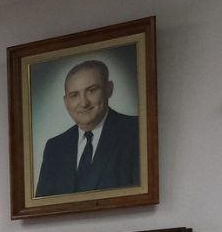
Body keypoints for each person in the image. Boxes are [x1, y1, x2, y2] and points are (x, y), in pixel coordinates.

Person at [34, 59, 141, 197]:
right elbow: (43, 210)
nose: (84, 103)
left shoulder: (136, 131)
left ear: (109, 89)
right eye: (74, 95)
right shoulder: (54, 148)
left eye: (92, 90)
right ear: (66, 102)